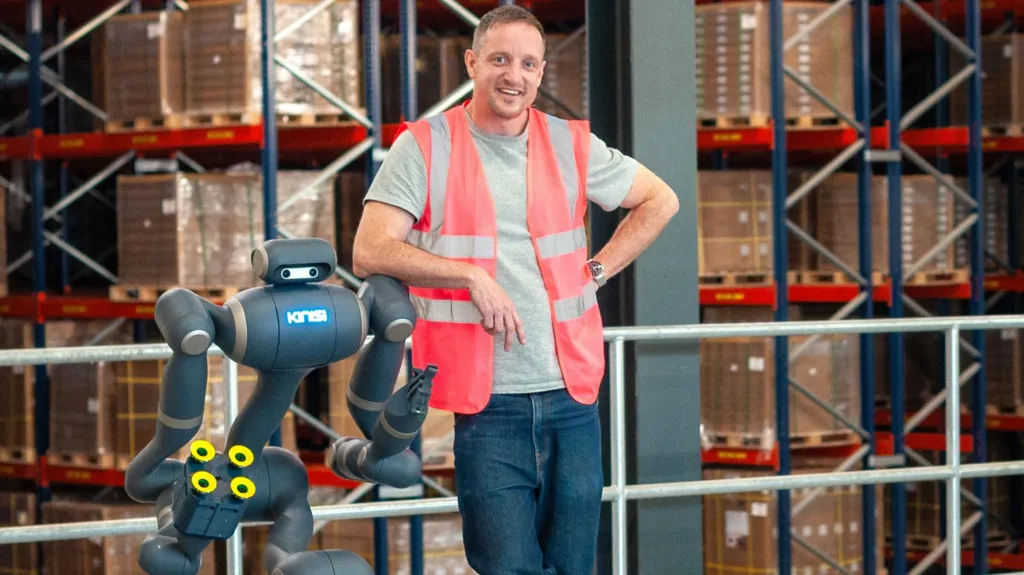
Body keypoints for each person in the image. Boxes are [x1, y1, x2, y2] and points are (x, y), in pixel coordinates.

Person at [351, 5, 679, 573]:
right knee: (508, 567)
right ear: (472, 62)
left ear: (541, 72)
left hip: (572, 399)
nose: (514, 75)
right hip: (488, 408)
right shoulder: (427, 146)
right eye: (500, 59)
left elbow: (661, 200)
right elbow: (370, 250)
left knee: (574, 565)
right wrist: (469, 275)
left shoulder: (568, 143)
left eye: (528, 64)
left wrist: (597, 270)